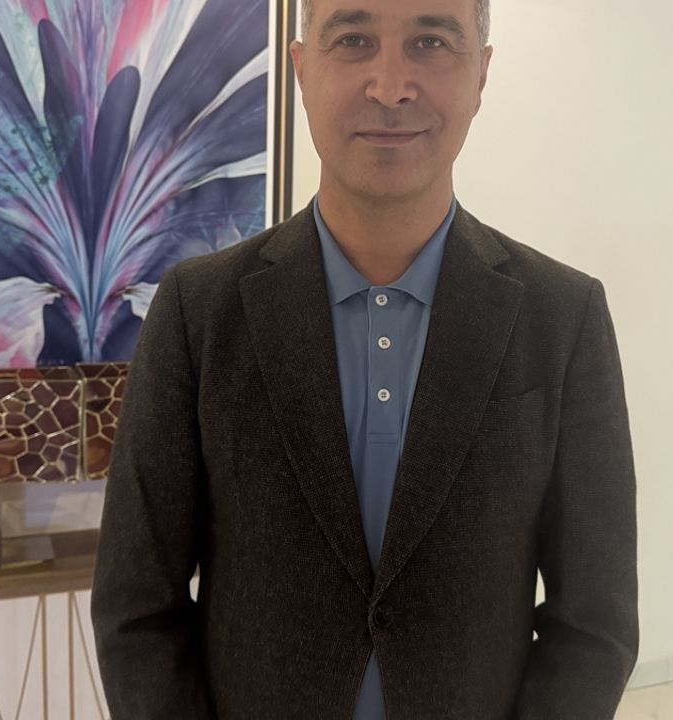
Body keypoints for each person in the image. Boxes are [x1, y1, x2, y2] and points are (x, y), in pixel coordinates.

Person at [90, 0, 639, 717]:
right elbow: (136, 606)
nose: (390, 85)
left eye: (430, 42)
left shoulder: (564, 317)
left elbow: (595, 624)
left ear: (480, 74)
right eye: (353, 39)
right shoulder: (199, 311)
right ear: (301, 71)